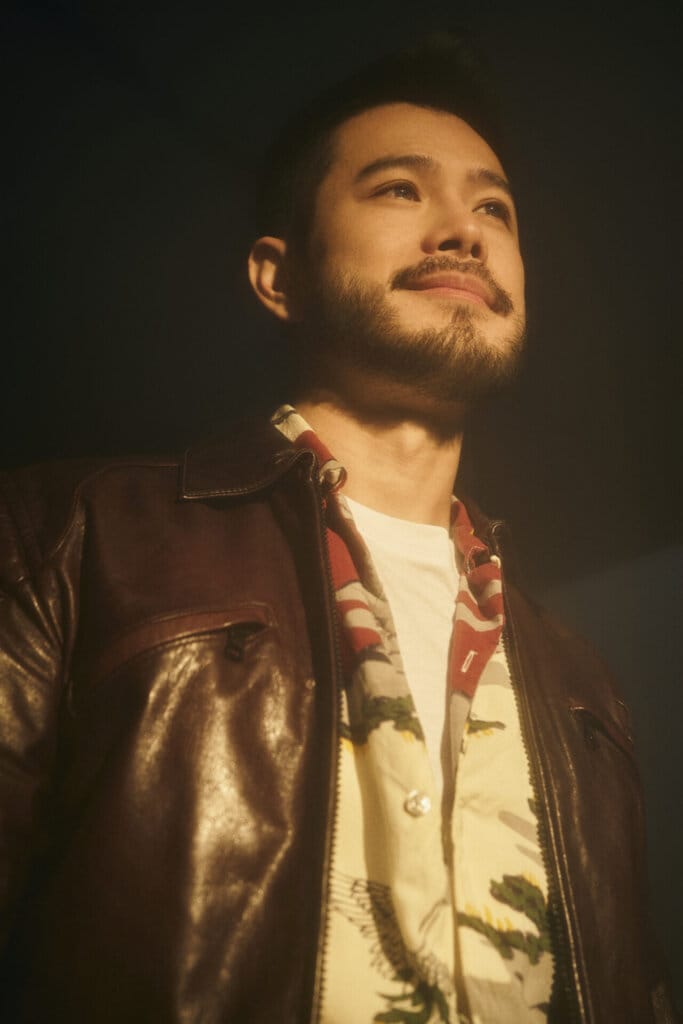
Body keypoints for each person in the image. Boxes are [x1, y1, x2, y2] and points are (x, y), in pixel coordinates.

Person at [0, 35, 676, 1024]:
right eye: (399, 190)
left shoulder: (581, 680)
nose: (464, 232)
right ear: (279, 277)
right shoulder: (71, 532)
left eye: (493, 206)